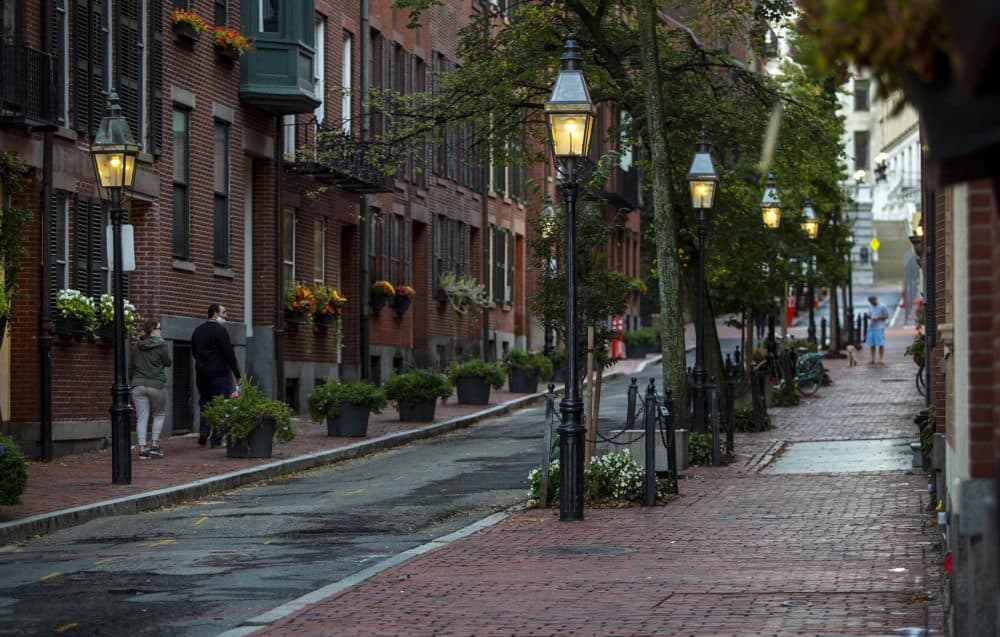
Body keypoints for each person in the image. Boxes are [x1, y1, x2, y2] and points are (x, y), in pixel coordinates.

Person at [192, 304, 242, 447]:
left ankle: (203, 431)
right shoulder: (221, 331)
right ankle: (216, 439)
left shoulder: (198, 330)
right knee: (221, 404)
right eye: (224, 313)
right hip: (219, 373)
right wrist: (237, 374)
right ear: (215, 314)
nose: (226, 316)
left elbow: (194, 351)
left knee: (205, 402)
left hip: (202, 373)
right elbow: (229, 354)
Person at [130, 319, 172, 460]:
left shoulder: (137, 346)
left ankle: (142, 449)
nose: (161, 331)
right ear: (153, 330)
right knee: (159, 414)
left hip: (138, 385)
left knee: (142, 417)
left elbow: (131, 366)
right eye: (159, 328)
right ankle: (154, 445)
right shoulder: (162, 345)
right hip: (156, 385)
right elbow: (168, 362)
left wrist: (132, 382)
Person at [865, 295, 891, 364]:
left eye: (873, 301)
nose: (872, 303)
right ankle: (872, 359)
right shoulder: (870, 306)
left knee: (880, 343)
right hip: (871, 327)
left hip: (879, 327)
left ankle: (881, 359)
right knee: (872, 344)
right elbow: (869, 315)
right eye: (870, 302)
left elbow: (887, 316)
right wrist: (867, 316)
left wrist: (878, 318)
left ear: (876, 300)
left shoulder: (883, 306)